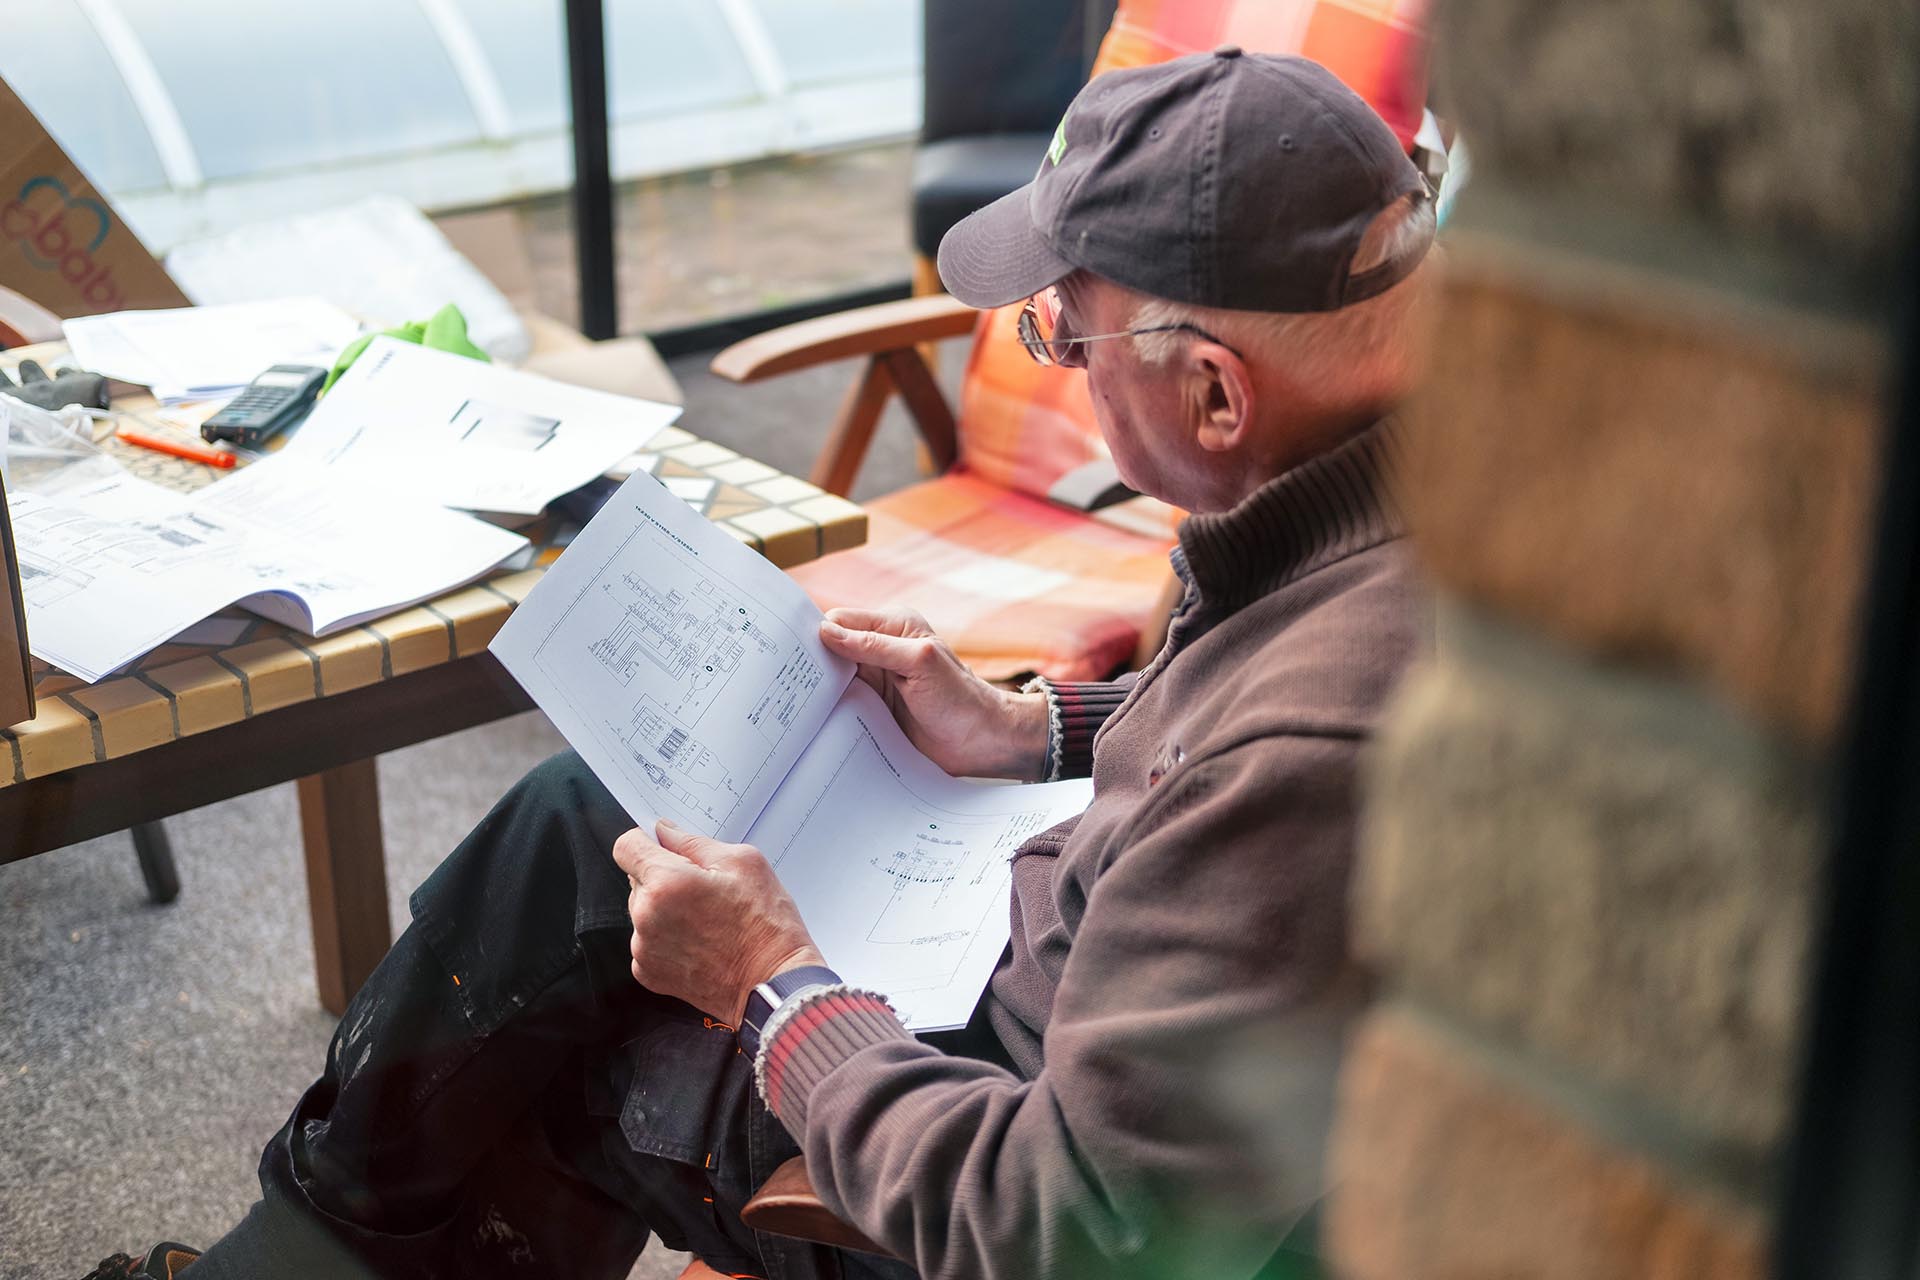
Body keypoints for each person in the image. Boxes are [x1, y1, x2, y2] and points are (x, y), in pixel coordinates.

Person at [86, 48, 1434, 1280]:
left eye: (1061, 333)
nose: (1058, 358)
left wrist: (775, 985)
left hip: (986, 1137)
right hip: (1074, 971)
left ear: (1214, 390)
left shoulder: (1312, 753)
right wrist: (1036, 730)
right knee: (585, 822)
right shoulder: (1416, 516)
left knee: (548, 1039)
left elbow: (1060, 1226)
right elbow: (1226, 738)